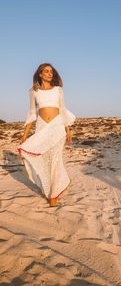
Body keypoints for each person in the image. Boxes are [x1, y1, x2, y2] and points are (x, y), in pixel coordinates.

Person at [17, 63, 76, 207]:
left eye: (51, 71)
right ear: (40, 74)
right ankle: (48, 188)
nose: (50, 74)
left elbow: (62, 109)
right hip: (42, 127)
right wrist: (25, 135)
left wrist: (68, 129)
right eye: (46, 71)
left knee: (55, 160)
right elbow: (32, 113)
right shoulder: (34, 91)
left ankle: (54, 195)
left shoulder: (58, 90)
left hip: (57, 127)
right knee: (45, 160)